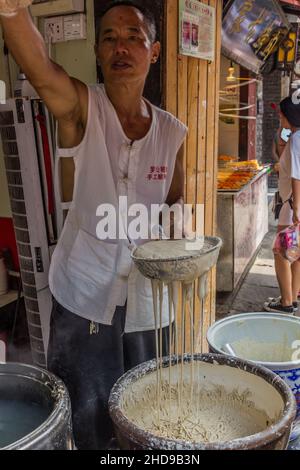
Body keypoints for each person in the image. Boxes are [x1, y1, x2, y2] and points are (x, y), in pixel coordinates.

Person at [0, 0, 188, 449]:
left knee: (149, 411)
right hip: (84, 295)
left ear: (154, 51)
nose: (121, 47)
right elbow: (41, 69)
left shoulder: (172, 132)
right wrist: (10, 11)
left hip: (149, 301)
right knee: (90, 421)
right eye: (109, 38)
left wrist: (178, 229)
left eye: (133, 37)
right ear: (100, 54)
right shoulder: (83, 108)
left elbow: (175, 201)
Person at [264, 97, 300, 315]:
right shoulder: (294, 136)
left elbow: (297, 175)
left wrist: (297, 207)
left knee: (281, 251)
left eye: (282, 113)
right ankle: (293, 298)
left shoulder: (296, 139)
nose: (280, 116)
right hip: (295, 202)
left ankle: (286, 303)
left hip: (292, 203)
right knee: (296, 251)